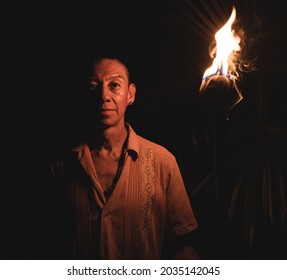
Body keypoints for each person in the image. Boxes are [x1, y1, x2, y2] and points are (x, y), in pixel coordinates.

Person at [43, 56, 199, 260]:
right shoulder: (60, 165)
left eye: (114, 85)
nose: (103, 96)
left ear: (130, 94)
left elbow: (183, 245)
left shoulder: (163, 162)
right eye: (93, 86)